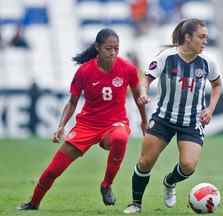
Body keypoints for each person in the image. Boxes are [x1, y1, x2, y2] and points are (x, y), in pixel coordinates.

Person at [17, 28, 147, 210]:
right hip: (87, 126)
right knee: (53, 169)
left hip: (114, 125)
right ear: (98, 48)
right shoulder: (84, 72)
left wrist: (144, 121)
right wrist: (61, 126)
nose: (113, 52)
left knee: (120, 137)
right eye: (109, 48)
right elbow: (71, 102)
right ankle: (33, 203)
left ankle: (106, 185)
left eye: (116, 48)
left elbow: (138, 97)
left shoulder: (127, 69)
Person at [123, 18, 222, 214]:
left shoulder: (208, 62)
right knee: (145, 162)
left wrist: (210, 109)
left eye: (206, 38)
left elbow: (217, 85)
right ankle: (136, 204)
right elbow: (146, 79)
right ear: (188, 37)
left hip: (191, 122)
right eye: (201, 37)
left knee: (188, 166)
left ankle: (169, 182)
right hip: (163, 118)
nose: (205, 41)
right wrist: (143, 93)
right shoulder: (166, 57)